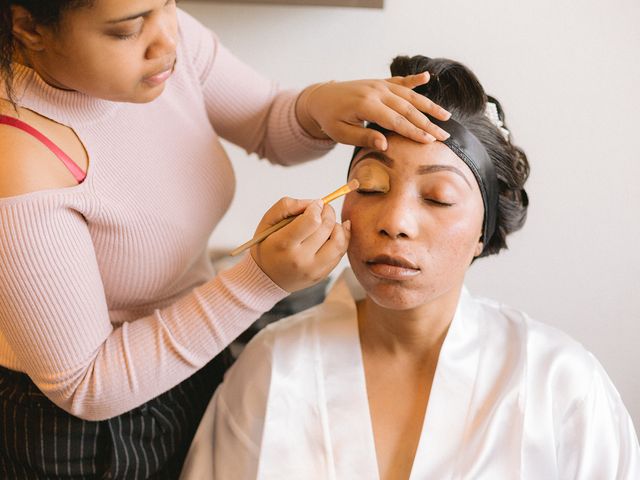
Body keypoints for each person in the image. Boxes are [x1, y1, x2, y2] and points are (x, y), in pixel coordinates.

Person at [0, 0, 453, 477]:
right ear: (28, 26)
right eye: (127, 30)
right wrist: (259, 280)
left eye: (170, 5)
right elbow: (85, 386)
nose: (168, 39)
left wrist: (318, 105)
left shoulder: (161, 40)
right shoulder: (18, 162)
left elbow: (265, 122)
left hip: (192, 357)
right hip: (86, 434)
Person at [181, 55, 640, 479]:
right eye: (372, 186)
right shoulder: (273, 366)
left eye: (438, 197)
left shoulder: (560, 383)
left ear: (484, 230)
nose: (395, 222)